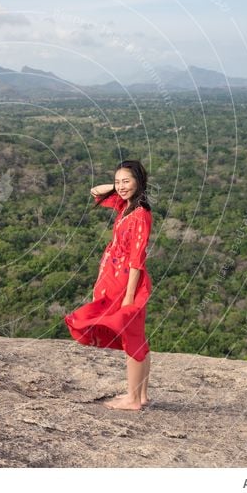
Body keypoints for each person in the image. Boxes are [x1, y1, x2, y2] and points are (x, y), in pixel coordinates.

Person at [64, 160, 153, 411]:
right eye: (118, 181)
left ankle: (133, 399)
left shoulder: (140, 214)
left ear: (139, 181)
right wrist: (119, 187)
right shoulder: (125, 206)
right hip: (117, 280)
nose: (121, 187)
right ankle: (141, 395)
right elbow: (95, 191)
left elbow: (138, 259)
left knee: (131, 337)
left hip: (128, 283)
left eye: (127, 181)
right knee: (136, 335)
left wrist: (128, 296)